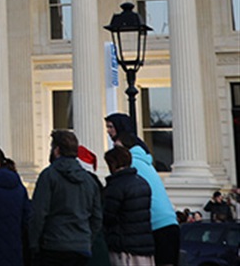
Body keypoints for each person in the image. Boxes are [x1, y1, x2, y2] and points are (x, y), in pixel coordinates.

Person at [106, 113, 179, 266]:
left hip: (156, 224)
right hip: (169, 222)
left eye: (111, 127)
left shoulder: (131, 164)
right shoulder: (144, 161)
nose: (108, 131)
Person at [28, 130, 102, 266]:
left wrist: (33, 243)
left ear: (57, 150)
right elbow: (97, 217)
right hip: (81, 246)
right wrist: (86, 239)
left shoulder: (48, 176)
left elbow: (39, 213)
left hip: (53, 244)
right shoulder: (89, 180)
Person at [102, 146, 154, 266]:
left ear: (113, 164)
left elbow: (107, 216)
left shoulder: (116, 186)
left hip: (123, 246)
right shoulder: (142, 182)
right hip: (144, 244)